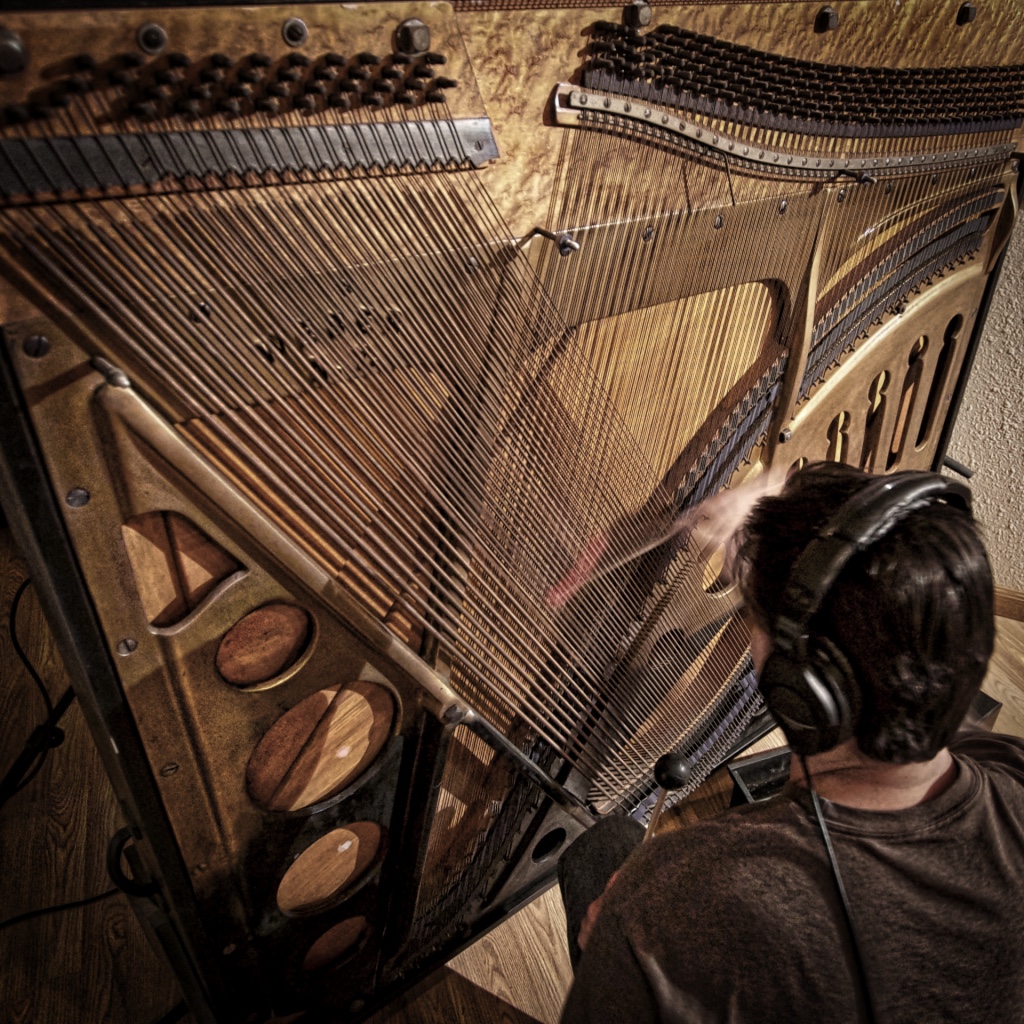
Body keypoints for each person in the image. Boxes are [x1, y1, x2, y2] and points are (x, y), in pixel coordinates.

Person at [558, 461, 1024, 1023]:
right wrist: (773, 511)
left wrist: (621, 932)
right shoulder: (1011, 774)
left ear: (803, 691)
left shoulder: (670, 898)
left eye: (751, 621)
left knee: (597, 850)